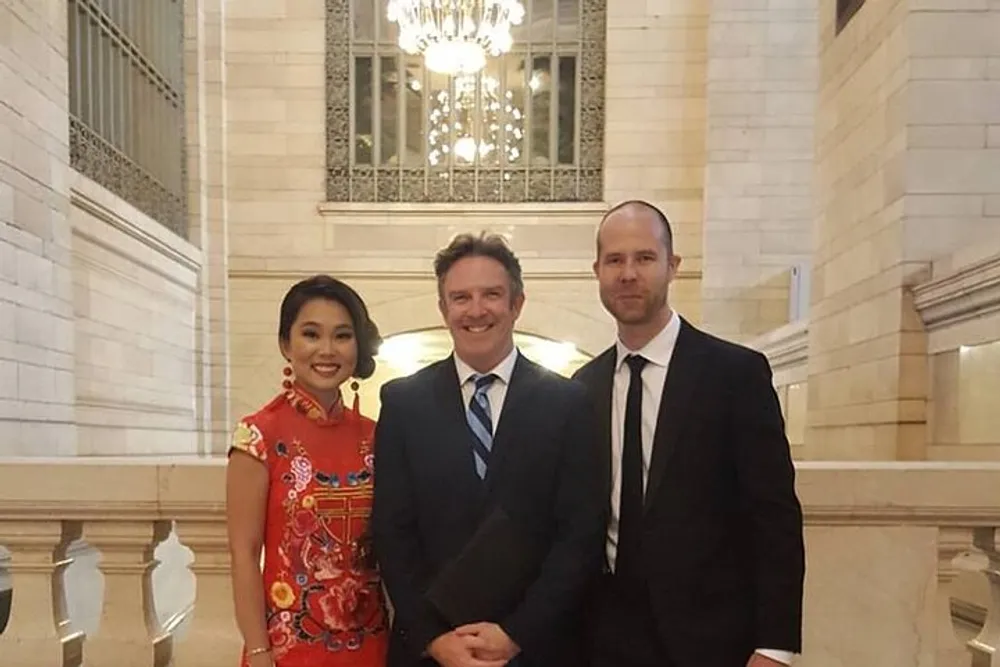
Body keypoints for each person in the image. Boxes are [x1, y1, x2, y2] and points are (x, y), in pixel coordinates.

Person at [572, 201, 805, 667]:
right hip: (602, 639)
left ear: (672, 266)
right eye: (615, 261)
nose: (628, 274)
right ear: (597, 271)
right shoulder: (582, 388)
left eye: (644, 258)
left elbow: (774, 517)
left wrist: (775, 646)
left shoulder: (734, 374)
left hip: (711, 640)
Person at [372, 232, 605, 667]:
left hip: (538, 649)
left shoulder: (568, 403)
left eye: (491, 295)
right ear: (443, 310)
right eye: (460, 297)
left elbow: (579, 535)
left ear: (516, 303)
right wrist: (435, 638)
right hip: (432, 653)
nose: (476, 310)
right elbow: (392, 532)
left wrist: (517, 634)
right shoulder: (404, 402)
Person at [226, 275, 389, 667]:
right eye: (311, 334)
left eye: (343, 336)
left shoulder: (377, 437)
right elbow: (244, 555)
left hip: (372, 647)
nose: (327, 350)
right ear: (286, 344)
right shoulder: (259, 436)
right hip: (290, 651)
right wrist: (260, 651)